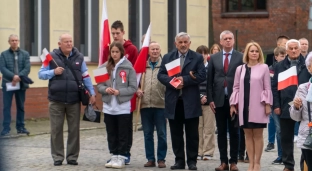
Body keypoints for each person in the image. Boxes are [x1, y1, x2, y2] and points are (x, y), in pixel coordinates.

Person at [38, 33, 96, 166]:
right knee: (56, 130)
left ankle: (72, 157)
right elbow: (40, 74)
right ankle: (58, 157)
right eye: (66, 42)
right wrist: (53, 72)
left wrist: (91, 93)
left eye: (71, 41)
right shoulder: (50, 57)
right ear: (59, 44)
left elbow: (86, 76)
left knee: (74, 130)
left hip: (73, 100)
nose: (69, 44)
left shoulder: (79, 57)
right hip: (56, 100)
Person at [157, 32, 206, 170]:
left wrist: (185, 80)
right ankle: (179, 161)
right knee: (176, 133)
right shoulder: (168, 57)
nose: (183, 44)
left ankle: (192, 161)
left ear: (189, 43)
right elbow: (161, 75)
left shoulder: (196, 57)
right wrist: (172, 82)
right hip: (174, 102)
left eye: (185, 42)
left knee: (192, 134)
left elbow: (202, 75)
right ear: (175, 43)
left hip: (190, 101)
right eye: (180, 42)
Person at [230, 41, 273, 171]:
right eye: (251, 51)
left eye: (256, 51)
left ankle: (257, 163)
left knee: (258, 135)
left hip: (258, 105)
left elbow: (267, 87)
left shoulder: (264, 67)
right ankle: (250, 163)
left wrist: (267, 104)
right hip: (243, 106)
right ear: (247, 53)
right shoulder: (240, 69)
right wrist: (233, 104)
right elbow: (236, 87)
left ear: (259, 53)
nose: (254, 53)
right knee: (247, 135)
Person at [102, 20, 138, 164]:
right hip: (110, 100)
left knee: (125, 127)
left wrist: (123, 91)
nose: (115, 36)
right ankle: (115, 153)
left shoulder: (132, 51)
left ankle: (124, 153)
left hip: (126, 95)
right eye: (113, 33)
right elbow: (102, 79)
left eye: (118, 33)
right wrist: (106, 89)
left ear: (123, 33)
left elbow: (135, 75)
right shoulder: (107, 52)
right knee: (113, 129)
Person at [272, 39, 311, 171]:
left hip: (305, 108)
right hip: (285, 106)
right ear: (286, 50)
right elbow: (274, 87)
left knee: (306, 136)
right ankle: (288, 164)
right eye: (291, 48)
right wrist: (276, 105)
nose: (294, 51)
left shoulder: (307, 64)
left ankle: (305, 163)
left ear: (300, 50)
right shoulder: (279, 66)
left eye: (296, 48)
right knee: (286, 136)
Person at [207, 30, 243, 171]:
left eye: (230, 38)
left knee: (235, 132)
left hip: (235, 101)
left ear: (233, 41)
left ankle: (233, 162)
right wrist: (210, 99)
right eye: (225, 39)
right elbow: (209, 80)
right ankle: (223, 162)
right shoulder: (214, 58)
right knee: (221, 132)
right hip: (219, 100)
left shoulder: (240, 57)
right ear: (221, 41)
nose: (228, 41)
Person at [136, 41, 167, 168]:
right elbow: (135, 82)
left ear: (160, 51)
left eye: (157, 49)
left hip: (160, 105)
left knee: (162, 133)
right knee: (147, 133)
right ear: (148, 51)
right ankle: (150, 158)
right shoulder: (143, 66)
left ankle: (161, 159)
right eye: (152, 49)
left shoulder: (165, 66)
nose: (154, 51)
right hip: (145, 105)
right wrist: (137, 90)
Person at [0, 34, 31, 136]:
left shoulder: (25, 54)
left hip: (21, 84)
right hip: (7, 83)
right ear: (9, 42)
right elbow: (3, 68)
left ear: (18, 41)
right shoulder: (4, 54)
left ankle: (21, 127)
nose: (14, 42)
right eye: (12, 40)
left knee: (21, 106)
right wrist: (13, 77)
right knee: (6, 107)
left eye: (16, 40)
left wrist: (18, 77)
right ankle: (6, 128)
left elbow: (27, 68)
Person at [290, 52, 312, 171]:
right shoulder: (303, 88)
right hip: (308, 135)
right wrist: (296, 107)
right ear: (309, 68)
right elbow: (296, 117)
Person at [266, 46, 286, 165]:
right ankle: (280, 155)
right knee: (279, 130)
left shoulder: (288, 68)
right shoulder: (270, 70)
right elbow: (270, 87)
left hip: (286, 102)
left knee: (285, 130)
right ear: (276, 57)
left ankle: (286, 155)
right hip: (275, 103)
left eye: (285, 56)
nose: (283, 58)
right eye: (281, 56)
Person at [195, 45, 215, 161]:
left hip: (209, 101)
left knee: (209, 128)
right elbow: (193, 84)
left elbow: (212, 84)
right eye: (200, 53)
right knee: (198, 128)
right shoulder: (194, 68)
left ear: (208, 55)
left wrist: (207, 97)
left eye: (205, 53)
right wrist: (200, 96)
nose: (202, 55)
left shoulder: (211, 68)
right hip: (196, 101)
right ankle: (199, 151)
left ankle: (208, 151)